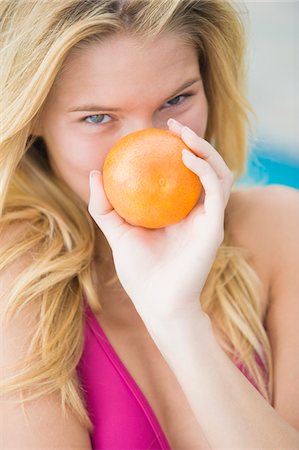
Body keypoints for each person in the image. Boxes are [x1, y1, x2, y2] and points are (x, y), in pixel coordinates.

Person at [1, 0, 298, 448]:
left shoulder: (281, 226)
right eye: (97, 117)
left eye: (177, 99)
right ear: (33, 120)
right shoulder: (15, 274)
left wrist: (177, 319)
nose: (152, 147)